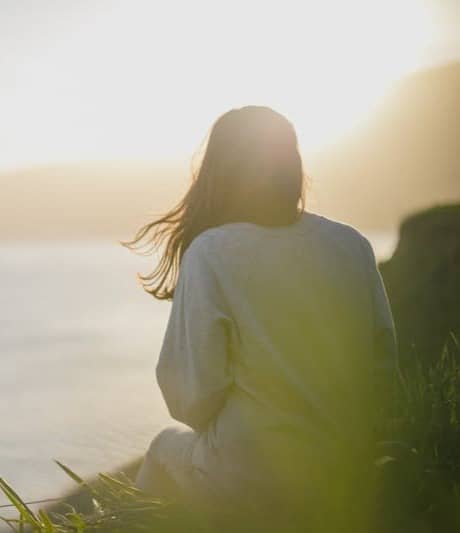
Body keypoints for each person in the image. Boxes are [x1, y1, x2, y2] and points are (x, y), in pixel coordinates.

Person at [122, 106, 398, 531]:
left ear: (218, 171)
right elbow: (383, 371)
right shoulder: (352, 244)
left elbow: (191, 399)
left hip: (255, 478)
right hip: (348, 471)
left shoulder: (212, 252)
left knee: (162, 449)